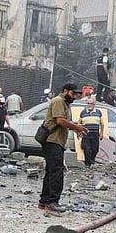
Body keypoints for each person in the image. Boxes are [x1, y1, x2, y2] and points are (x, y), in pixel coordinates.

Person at [38, 83, 88, 213]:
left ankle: (44, 201)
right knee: (56, 171)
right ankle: (52, 202)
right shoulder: (58, 101)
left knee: (51, 171)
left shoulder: (65, 104)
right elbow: (60, 121)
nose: (74, 97)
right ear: (65, 91)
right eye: (72, 94)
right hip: (52, 140)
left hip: (57, 141)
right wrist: (77, 127)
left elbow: (65, 122)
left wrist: (75, 128)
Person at [77, 97, 107, 167]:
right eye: (88, 103)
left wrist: (101, 133)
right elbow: (79, 123)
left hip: (95, 134)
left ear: (94, 104)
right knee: (86, 150)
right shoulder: (83, 112)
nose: (89, 105)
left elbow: (102, 124)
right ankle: (87, 164)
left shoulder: (98, 112)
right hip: (86, 134)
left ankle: (92, 159)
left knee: (95, 149)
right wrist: (79, 132)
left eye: (91, 103)